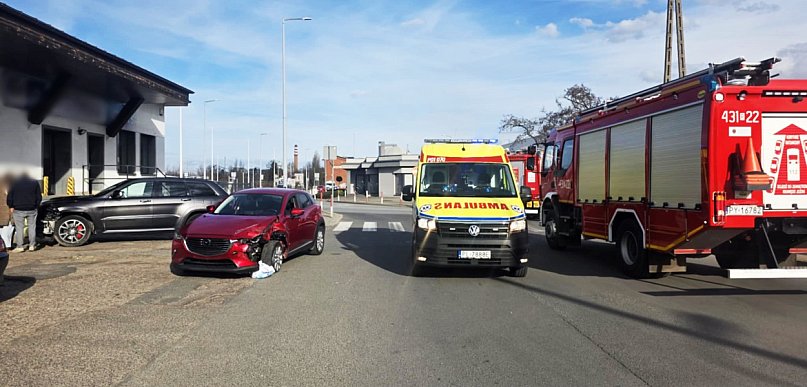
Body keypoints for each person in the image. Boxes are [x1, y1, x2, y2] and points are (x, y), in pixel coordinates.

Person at [6, 172, 42, 253]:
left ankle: (20, 246)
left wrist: (11, 206)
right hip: (32, 208)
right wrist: (36, 206)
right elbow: (39, 196)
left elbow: (10, 196)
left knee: (19, 228)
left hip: (18, 209)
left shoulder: (14, 183)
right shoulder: (35, 183)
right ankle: (32, 245)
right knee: (32, 227)